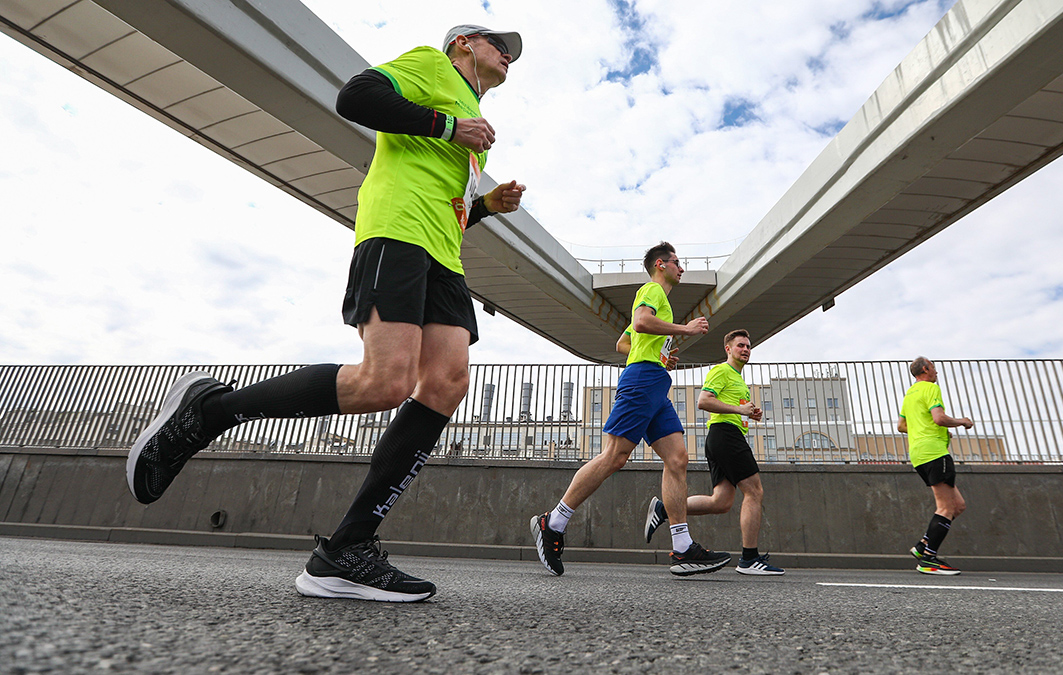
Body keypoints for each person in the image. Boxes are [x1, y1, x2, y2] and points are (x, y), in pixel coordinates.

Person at [125, 24, 527, 602]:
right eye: (500, 44)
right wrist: (447, 125)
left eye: (513, 53)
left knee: (445, 382)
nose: (509, 55)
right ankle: (209, 411)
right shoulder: (433, 68)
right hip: (397, 233)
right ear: (463, 42)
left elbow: (453, 212)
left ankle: (347, 549)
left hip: (443, 253)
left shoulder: (472, 112)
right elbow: (355, 96)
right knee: (385, 382)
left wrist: (485, 205)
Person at [530, 242, 731, 577]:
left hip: (655, 382)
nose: (682, 268)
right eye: (677, 263)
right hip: (641, 381)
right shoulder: (652, 290)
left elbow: (623, 343)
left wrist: (660, 355)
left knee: (677, 457)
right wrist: (685, 329)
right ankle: (553, 521)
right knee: (614, 456)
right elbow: (639, 324)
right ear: (660, 265)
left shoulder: (659, 300)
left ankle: (682, 549)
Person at [643, 329, 784, 575]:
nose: (746, 350)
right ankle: (749, 559)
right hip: (725, 435)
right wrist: (739, 412)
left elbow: (730, 407)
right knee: (754, 490)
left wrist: (749, 413)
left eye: (748, 346)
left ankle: (665, 509)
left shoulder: (739, 380)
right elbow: (704, 401)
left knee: (721, 502)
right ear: (728, 349)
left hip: (726, 436)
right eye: (740, 345)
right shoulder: (722, 370)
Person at [898, 357, 972, 575]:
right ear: (925, 369)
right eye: (934, 368)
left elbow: (902, 425)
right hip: (934, 453)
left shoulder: (910, 395)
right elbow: (939, 418)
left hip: (919, 454)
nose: (936, 372)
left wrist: (927, 431)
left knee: (958, 506)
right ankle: (929, 560)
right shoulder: (930, 388)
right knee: (946, 508)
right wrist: (962, 421)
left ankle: (923, 546)